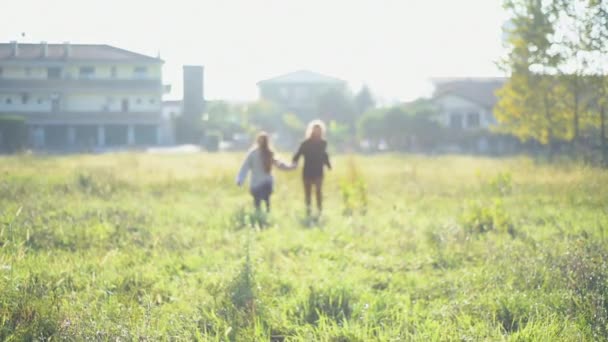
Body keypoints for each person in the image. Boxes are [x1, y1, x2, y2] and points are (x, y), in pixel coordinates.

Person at [236, 132, 294, 212]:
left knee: (266, 201)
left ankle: (266, 217)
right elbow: (245, 167)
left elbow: (279, 164)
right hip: (256, 183)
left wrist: (290, 167)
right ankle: (259, 217)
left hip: (266, 182)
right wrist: (240, 179)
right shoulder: (252, 154)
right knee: (257, 203)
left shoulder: (269, 153)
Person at [292, 120, 332, 216]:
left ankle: (319, 211)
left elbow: (324, 155)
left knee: (318, 192)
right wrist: (294, 162)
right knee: (308, 193)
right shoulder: (305, 143)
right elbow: (298, 154)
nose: (317, 131)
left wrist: (328, 165)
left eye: (319, 130)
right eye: (315, 129)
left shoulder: (323, 143)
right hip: (307, 171)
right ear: (311, 130)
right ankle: (308, 212)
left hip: (318, 171)